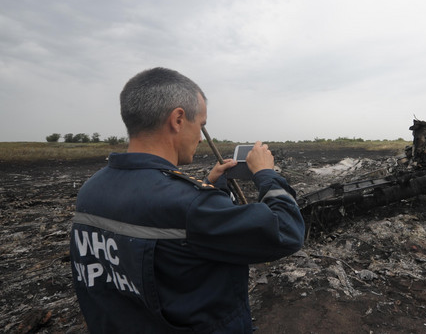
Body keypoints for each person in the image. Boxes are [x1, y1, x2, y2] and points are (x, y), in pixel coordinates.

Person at [69, 67, 305, 333]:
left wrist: (212, 186)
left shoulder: (92, 190)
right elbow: (286, 231)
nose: (200, 138)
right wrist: (266, 175)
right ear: (178, 119)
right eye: (201, 125)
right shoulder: (190, 205)